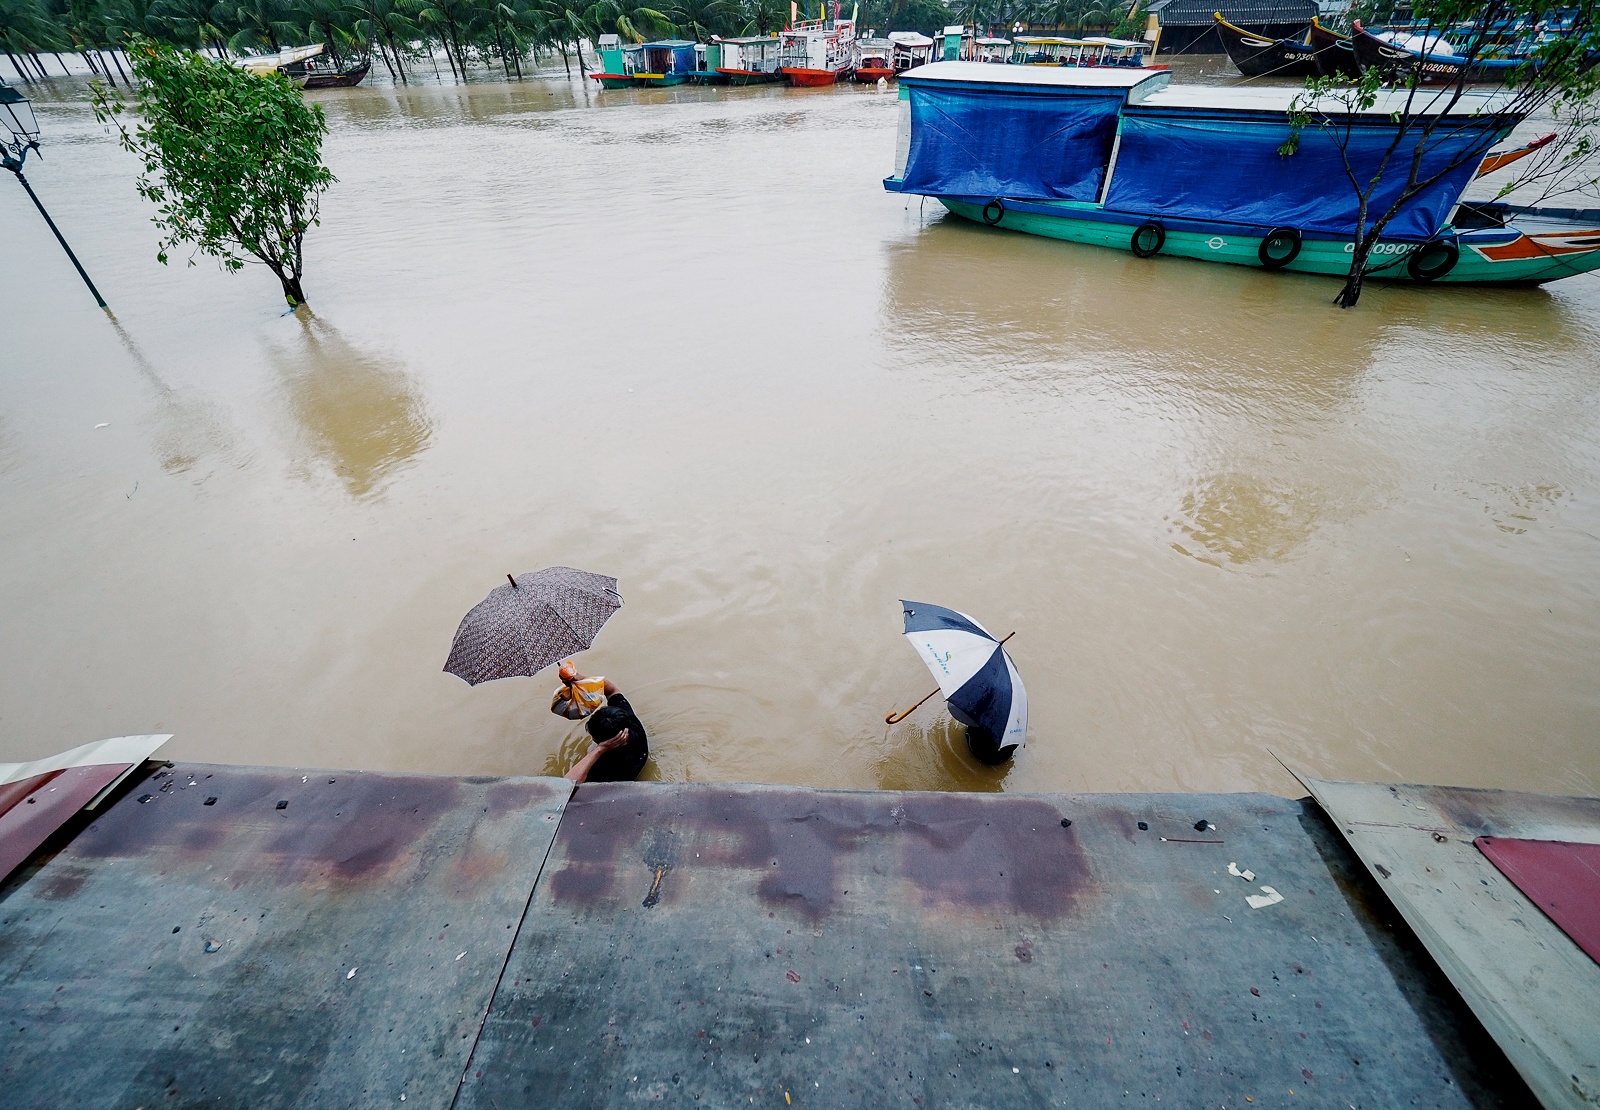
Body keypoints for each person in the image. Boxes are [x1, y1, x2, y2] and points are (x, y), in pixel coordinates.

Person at [559, 668, 649, 784]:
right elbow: (611, 690)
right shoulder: (629, 720)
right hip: (641, 751)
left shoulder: (608, 767)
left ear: (599, 740)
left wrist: (599, 749)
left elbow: (567, 785)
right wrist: (578, 679)